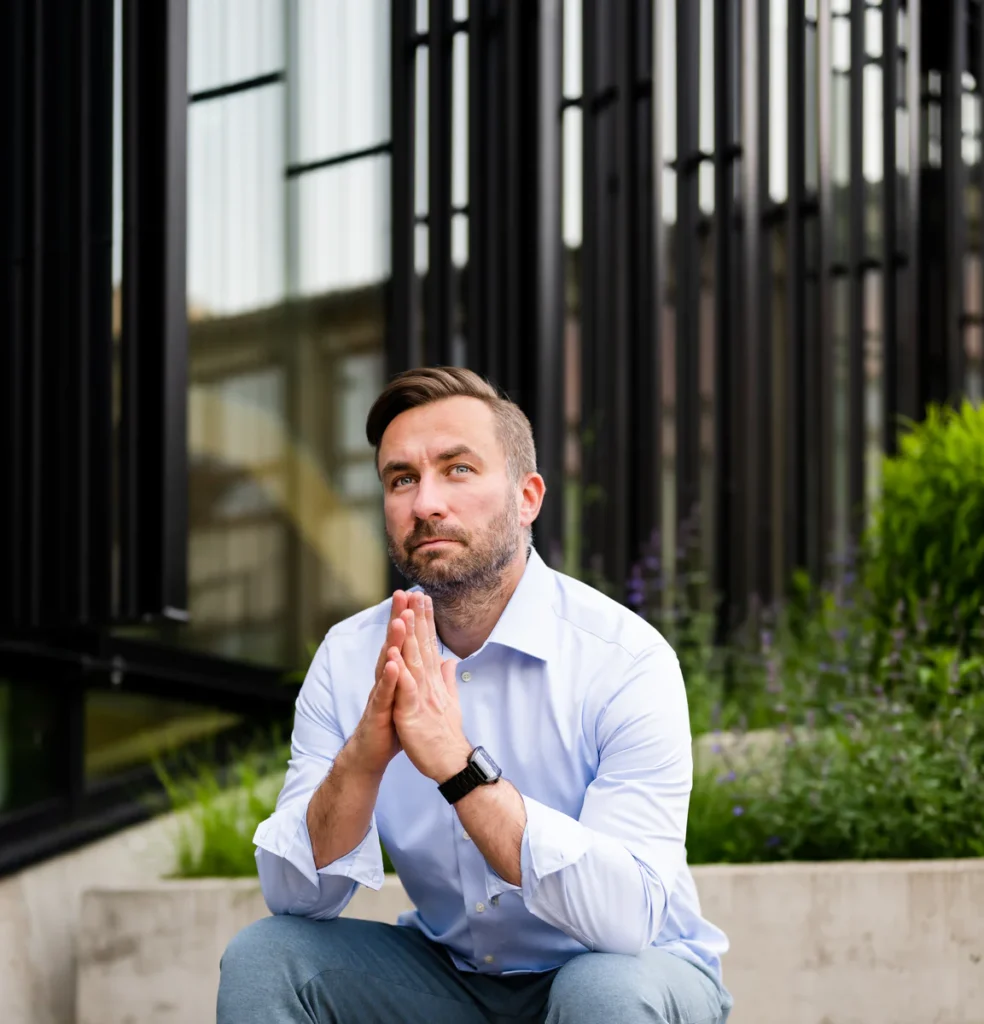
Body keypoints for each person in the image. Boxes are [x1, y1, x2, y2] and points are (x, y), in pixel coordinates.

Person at [217, 367, 733, 1024]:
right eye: (402, 478)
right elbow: (294, 896)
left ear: (527, 497)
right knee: (269, 957)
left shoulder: (624, 660)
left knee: (599, 991)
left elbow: (625, 919)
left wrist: (460, 768)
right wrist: (365, 758)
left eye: (457, 470)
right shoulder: (352, 660)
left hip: (632, 971)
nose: (425, 502)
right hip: (449, 978)